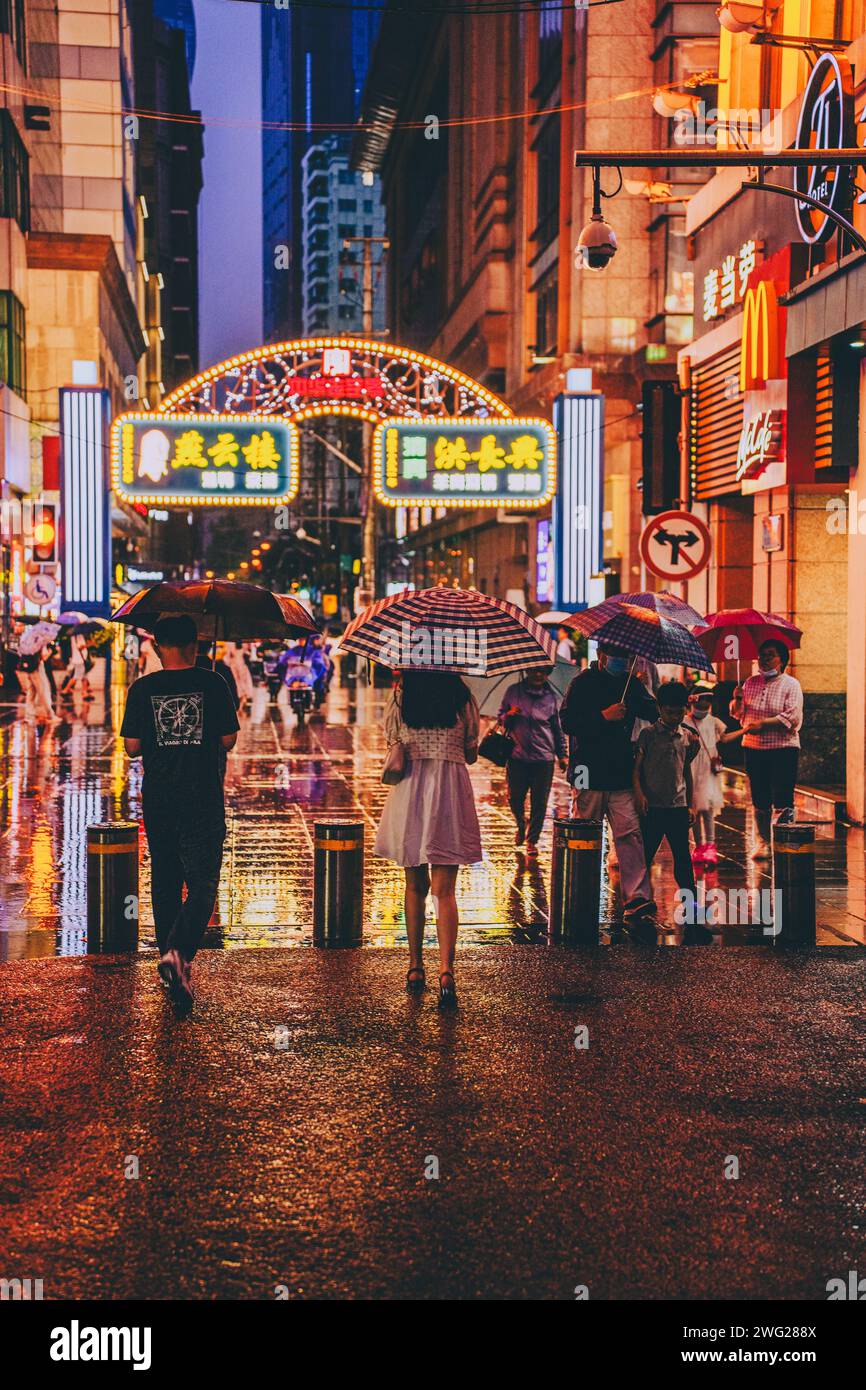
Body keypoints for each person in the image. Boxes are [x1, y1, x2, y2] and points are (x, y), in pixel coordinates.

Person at [121, 615, 239, 1009]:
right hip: (202, 797)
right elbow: (228, 740)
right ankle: (178, 953)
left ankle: (172, 963)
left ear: (157, 647)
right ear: (196, 644)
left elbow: (132, 747)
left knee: (166, 880)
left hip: (159, 798)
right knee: (203, 884)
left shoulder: (142, 688)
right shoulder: (214, 682)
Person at [375, 670, 481, 1010]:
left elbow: (391, 741)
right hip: (450, 792)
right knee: (444, 891)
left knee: (414, 886)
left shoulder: (402, 695)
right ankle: (446, 972)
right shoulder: (462, 697)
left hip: (411, 793)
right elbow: (470, 753)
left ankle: (415, 966)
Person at [560, 645, 659, 922]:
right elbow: (568, 722)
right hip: (586, 770)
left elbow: (653, 711)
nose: (621, 661)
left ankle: (637, 896)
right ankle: (580, 893)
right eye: (616, 655)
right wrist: (603, 716)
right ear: (601, 655)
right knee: (584, 834)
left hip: (620, 772)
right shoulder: (582, 683)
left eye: (626, 656)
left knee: (630, 833)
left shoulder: (631, 684)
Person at [633, 681, 711, 940]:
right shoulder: (647, 735)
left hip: (677, 807)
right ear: (659, 709)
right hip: (652, 807)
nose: (674, 717)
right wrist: (640, 795)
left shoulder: (686, 737)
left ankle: (691, 905)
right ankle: (640, 901)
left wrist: (690, 803)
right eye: (669, 712)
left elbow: (686, 771)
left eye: (679, 712)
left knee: (683, 859)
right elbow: (637, 769)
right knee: (645, 856)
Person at [730, 639, 803, 860]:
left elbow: (792, 716)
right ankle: (763, 841)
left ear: (782, 659)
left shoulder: (791, 684)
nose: (764, 659)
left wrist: (764, 724)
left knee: (783, 796)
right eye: (762, 655)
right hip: (754, 748)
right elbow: (738, 715)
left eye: (770, 655)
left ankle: (784, 841)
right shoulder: (749, 683)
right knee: (760, 797)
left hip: (783, 748)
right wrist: (737, 699)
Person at [498, 665, 567, 855]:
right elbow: (501, 718)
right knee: (514, 797)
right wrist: (509, 715)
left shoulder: (552, 698)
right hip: (517, 756)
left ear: (547, 674)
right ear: (527, 671)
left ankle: (532, 840)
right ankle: (521, 824)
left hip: (543, 759)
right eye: (535, 670)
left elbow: (558, 730)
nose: (538, 674)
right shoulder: (513, 692)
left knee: (540, 802)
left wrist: (562, 755)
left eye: (543, 671)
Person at [683, 681, 742, 866]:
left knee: (707, 807)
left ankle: (710, 845)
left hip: (708, 769)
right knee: (694, 808)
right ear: (692, 702)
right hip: (692, 767)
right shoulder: (684, 722)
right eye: (701, 704)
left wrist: (745, 730)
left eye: (707, 704)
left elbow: (724, 738)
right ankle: (699, 846)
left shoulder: (714, 721)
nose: (704, 708)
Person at [224, 642, 254, 708]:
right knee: (243, 682)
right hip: (241, 664)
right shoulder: (244, 643)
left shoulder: (230, 643)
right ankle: (242, 701)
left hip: (235, 665)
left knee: (237, 682)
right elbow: (248, 654)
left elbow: (227, 656)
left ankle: (240, 702)